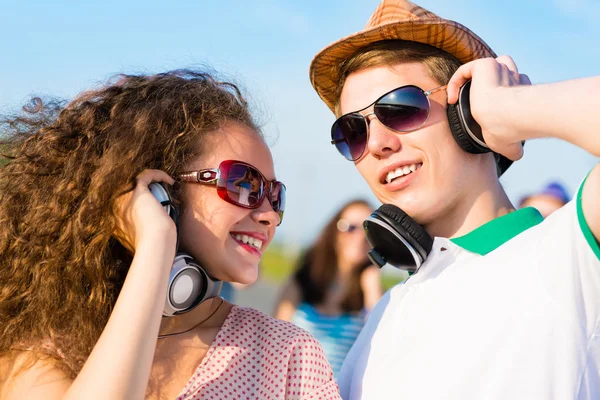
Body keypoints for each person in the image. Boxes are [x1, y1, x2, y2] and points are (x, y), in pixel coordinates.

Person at [308, 0, 600, 398]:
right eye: (352, 131)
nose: (375, 143)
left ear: (467, 113)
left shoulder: (571, 252)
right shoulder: (383, 317)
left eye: (400, 107)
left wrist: (511, 108)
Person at [0, 70, 341, 399]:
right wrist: (154, 246)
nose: (268, 215)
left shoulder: (287, 356)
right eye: (242, 184)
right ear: (162, 193)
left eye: (275, 194)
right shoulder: (44, 344)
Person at [274, 199, 383, 377]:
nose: (360, 237)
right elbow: (275, 337)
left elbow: (380, 346)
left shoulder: (371, 291)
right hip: (290, 386)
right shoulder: (304, 279)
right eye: (351, 228)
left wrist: (373, 287)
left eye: (368, 230)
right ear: (335, 232)